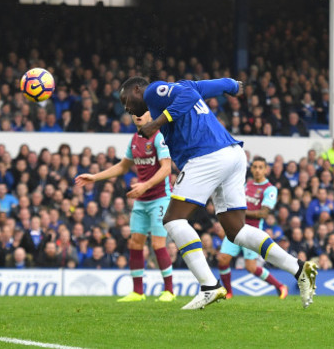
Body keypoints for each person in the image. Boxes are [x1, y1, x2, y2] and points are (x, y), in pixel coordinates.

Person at [119, 76, 317, 310]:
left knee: (173, 220)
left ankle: (208, 286)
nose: (127, 107)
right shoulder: (183, 86)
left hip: (207, 156)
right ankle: (300, 269)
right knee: (237, 230)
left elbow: (190, 96)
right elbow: (209, 86)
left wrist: (156, 123)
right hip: (232, 154)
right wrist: (232, 86)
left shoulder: (153, 91)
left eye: (126, 100)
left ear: (137, 88)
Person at [76, 112, 176, 303]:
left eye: (142, 111)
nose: (138, 115)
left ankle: (169, 291)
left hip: (160, 199)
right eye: (134, 112)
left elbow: (166, 169)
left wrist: (145, 185)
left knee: (157, 244)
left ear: (150, 114)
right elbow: (122, 167)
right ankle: (138, 292)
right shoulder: (134, 140)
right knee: (135, 243)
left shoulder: (158, 137)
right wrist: (94, 177)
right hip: (141, 200)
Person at [217, 156, 288, 299]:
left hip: (252, 232)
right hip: (235, 228)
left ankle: (280, 286)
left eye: (260, 167)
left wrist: (240, 211)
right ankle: (229, 293)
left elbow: (263, 213)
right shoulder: (247, 185)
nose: (257, 170)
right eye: (254, 167)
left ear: (266, 170)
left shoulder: (270, 189)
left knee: (251, 267)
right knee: (223, 259)